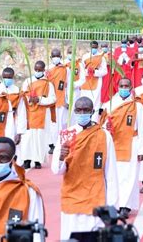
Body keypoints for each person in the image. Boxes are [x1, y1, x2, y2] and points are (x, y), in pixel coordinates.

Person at [51, 97, 118, 240]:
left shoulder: (104, 135)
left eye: (86, 110)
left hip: (95, 196)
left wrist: (112, 207)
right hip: (72, 195)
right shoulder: (66, 134)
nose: (82, 113)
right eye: (79, 110)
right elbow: (57, 171)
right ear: (74, 111)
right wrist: (61, 158)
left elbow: (111, 173)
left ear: (92, 111)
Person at [101, 78, 143, 217]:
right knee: (114, 176)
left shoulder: (137, 106)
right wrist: (105, 127)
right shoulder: (109, 104)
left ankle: (125, 207)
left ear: (131, 87)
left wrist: (142, 149)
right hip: (114, 143)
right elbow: (102, 124)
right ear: (117, 86)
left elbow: (142, 128)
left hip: (131, 143)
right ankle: (115, 204)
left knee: (129, 176)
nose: (124, 88)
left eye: (126, 86)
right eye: (121, 85)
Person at [19, 61, 56, 169]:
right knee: (28, 138)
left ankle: (37, 161)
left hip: (42, 114)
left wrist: (39, 99)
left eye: (40, 70)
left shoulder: (48, 83)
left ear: (44, 70)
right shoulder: (27, 81)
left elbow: (53, 99)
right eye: (36, 69)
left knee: (40, 138)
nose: (38, 71)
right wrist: (30, 99)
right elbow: (22, 95)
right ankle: (26, 160)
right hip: (29, 113)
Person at [47, 48, 68, 154]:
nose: (55, 58)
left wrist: (67, 100)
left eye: (57, 56)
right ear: (51, 57)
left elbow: (68, 85)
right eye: (53, 56)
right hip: (50, 100)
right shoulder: (48, 69)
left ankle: (60, 144)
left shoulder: (65, 69)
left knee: (62, 123)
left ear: (60, 57)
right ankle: (52, 144)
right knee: (52, 124)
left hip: (61, 100)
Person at [80, 41, 108, 120]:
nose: (94, 49)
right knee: (84, 101)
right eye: (93, 47)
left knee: (95, 102)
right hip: (86, 82)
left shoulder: (101, 58)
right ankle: (84, 119)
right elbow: (81, 69)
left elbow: (105, 71)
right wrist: (87, 72)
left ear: (97, 47)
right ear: (90, 47)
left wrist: (95, 72)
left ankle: (94, 120)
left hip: (96, 82)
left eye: (95, 47)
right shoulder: (85, 56)